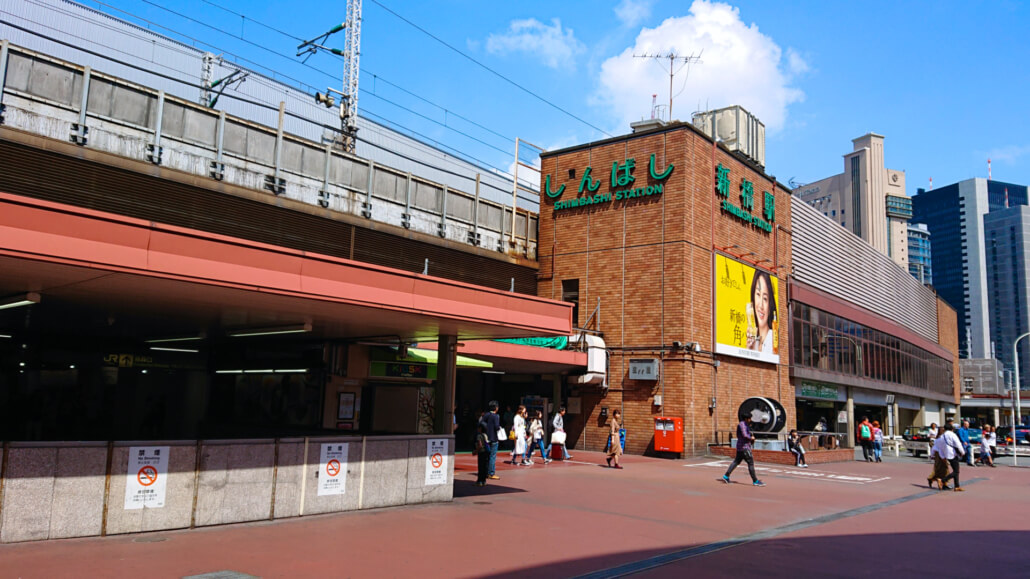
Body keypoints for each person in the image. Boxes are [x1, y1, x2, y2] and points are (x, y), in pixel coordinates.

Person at [723, 413, 764, 486]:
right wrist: (751, 438)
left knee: (736, 461)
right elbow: (745, 435)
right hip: (744, 448)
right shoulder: (742, 425)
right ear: (746, 418)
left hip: (741, 447)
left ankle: (726, 476)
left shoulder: (744, 425)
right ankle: (755, 481)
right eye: (749, 418)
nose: (750, 420)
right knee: (750, 463)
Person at [746, 270, 777, 355]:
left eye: (765, 299)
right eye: (758, 294)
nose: (761, 305)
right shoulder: (754, 340)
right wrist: (748, 351)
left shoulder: (773, 339)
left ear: (770, 306)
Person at [939, 422, 966, 492]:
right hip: (953, 454)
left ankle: (957, 486)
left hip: (947, 454)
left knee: (955, 470)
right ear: (951, 429)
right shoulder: (952, 435)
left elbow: (940, 447)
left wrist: (942, 456)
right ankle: (942, 480)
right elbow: (958, 444)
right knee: (956, 471)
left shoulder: (942, 436)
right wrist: (962, 452)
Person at [478, 401, 501, 480]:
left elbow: (480, 423)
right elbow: (497, 427)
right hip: (493, 438)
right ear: (496, 408)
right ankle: (491, 473)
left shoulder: (486, 415)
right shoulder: (496, 416)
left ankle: (485, 472)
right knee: (492, 456)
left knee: (486, 456)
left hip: (486, 438)